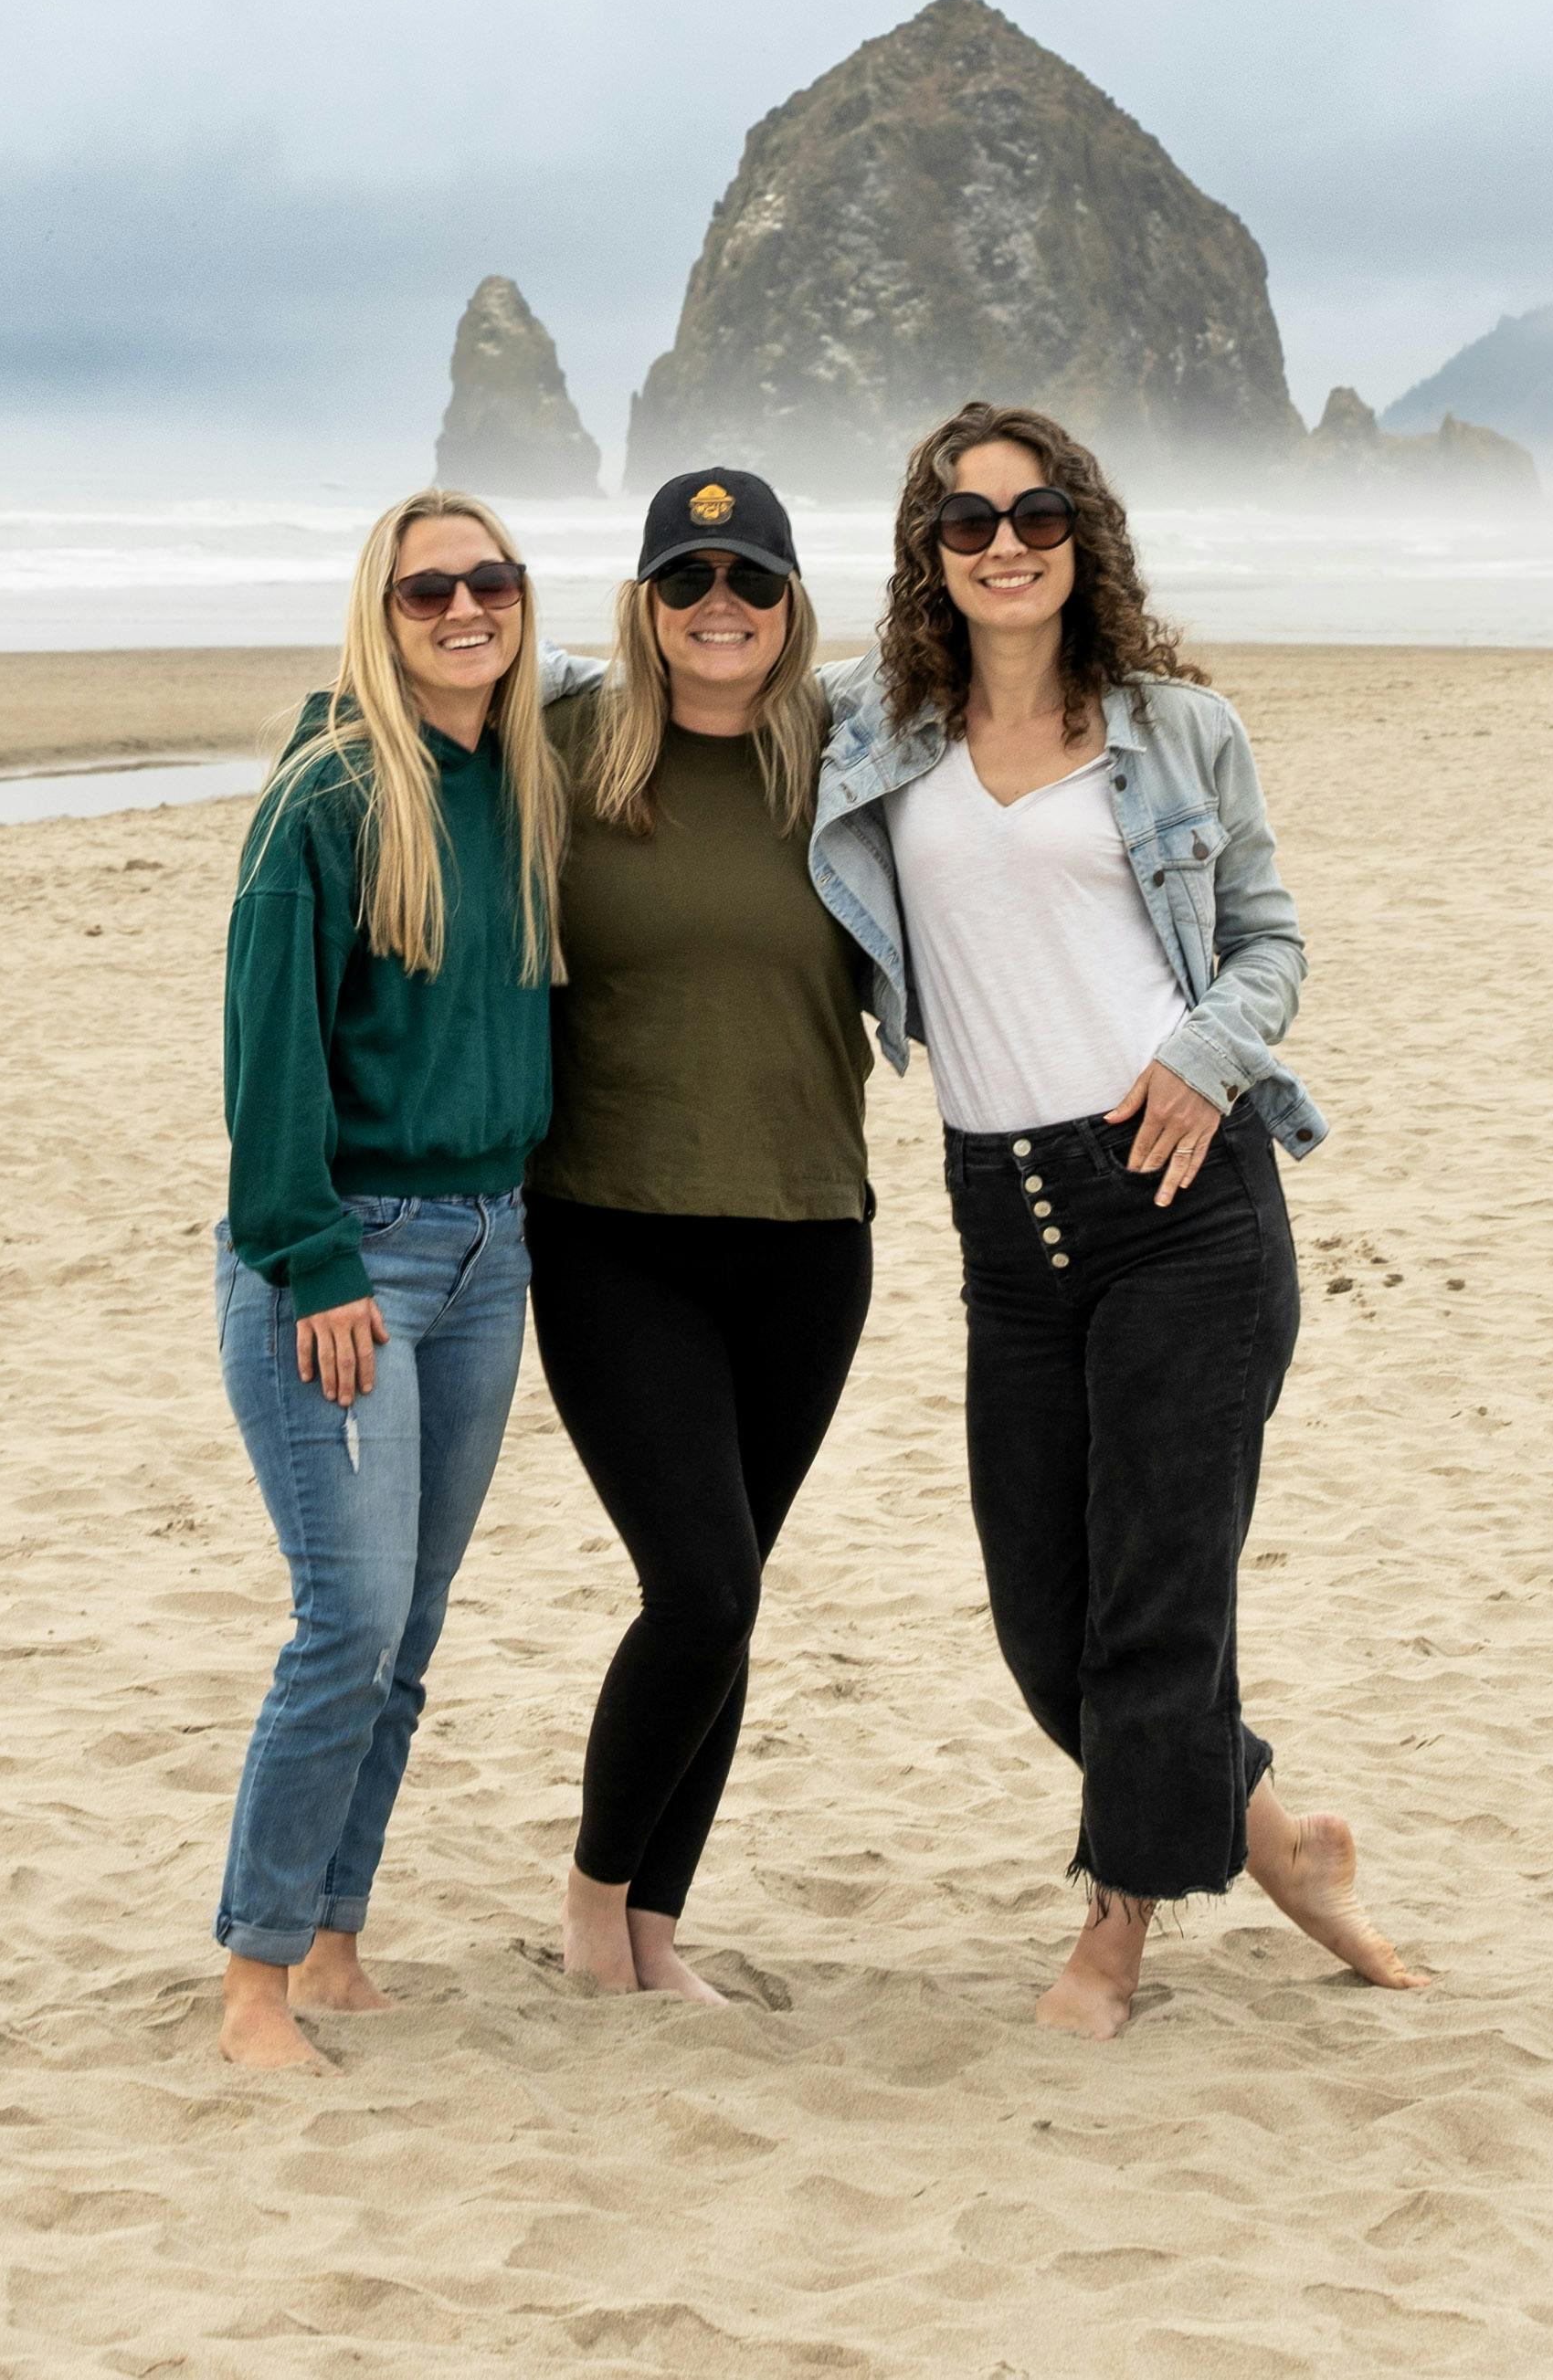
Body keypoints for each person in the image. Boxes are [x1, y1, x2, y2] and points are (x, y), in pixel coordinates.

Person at [809, 401, 1421, 2038]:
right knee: (1040, 1623)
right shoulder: (873, 728)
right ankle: (1286, 1841)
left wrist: (1210, 1061)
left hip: (1179, 1202)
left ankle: (1115, 1936)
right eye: (968, 521)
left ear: (1087, 535)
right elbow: (688, 676)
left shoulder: (1178, 729)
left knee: (1159, 1605)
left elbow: (1268, 944)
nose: (1004, 543)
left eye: (1037, 512)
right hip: (1002, 1225)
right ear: (926, 553)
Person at [207, 487, 572, 2070]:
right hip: (349, 1258)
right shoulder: (327, 797)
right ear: (382, 608)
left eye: (489, 582)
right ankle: (255, 1979)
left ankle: (341, 1938)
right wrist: (314, 1259)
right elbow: (267, 1051)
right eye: (430, 591)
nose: (465, 610)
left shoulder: (520, 779)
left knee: (409, 1625)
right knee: (343, 1618)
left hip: (492, 1251)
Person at [529, 469, 872, 2002]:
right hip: (612, 1231)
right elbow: (390, 717)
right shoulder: (567, 752)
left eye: (748, 579)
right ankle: (598, 1907)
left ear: (791, 606)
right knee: (706, 1586)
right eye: (687, 580)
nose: (716, 605)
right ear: (646, 605)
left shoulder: (855, 763)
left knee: (737, 1585)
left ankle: (658, 1928)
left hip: (811, 1233)